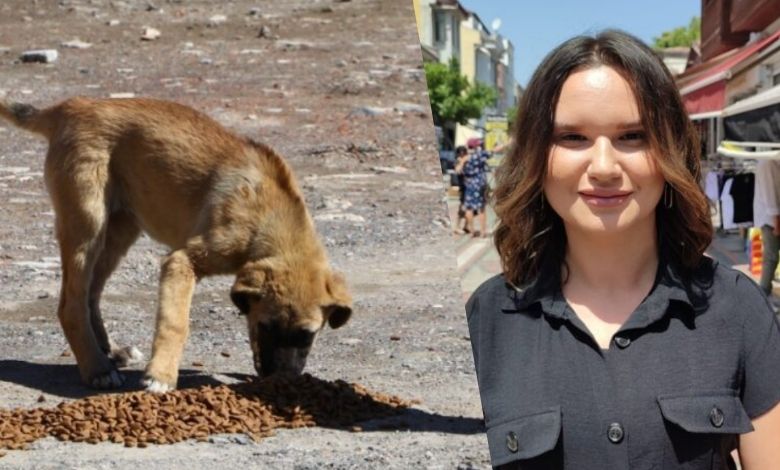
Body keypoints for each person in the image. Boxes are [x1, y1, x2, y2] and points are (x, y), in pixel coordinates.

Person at [466, 30, 780, 469]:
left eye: (632, 136)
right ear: (536, 155)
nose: (604, 167)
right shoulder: (484, 323)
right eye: (573, 138)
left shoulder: (737, 309)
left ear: (669, 149)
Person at [753, 159, 780, 302]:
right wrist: (776, 221)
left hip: (773, 218)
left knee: (771, 256)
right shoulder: (768, 162)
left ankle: (764, 292)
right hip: (771, 219)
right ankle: (763, 294)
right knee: (771, 257)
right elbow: (770, 194)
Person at [457, 139, 489, 237]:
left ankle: (472, 231)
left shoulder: (465, 157)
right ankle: (483, 232)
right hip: (480, 184)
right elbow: (494, 151)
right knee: (481, 209)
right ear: (476, 146)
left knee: (469, 208)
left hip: (469, 185)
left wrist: (462, 163)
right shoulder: (480, 155)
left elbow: (458, 170)